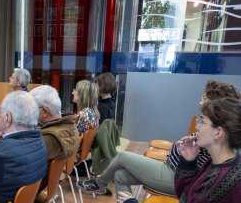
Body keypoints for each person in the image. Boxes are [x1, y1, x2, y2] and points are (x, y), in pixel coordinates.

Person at [62, 97, 241, 203]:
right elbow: (186, 197)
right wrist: (188, 163)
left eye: (202, 121)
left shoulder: (223, 181)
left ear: (218, 132)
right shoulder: (220, 163)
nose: (197, 126)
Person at [77, 80, 241, 196]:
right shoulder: (210, 128)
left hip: (174, 176)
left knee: (123, 157)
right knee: (120, 175)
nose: (200, 100)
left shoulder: (214, 132)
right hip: (172, 168)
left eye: (204, 98)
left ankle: (98, 183)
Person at [30, 85, 80, 192]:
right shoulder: (70, 126)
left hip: (30, 192)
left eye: (31, 109)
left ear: (44, 112)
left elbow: (21, 162)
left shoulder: (49, 138)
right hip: (47, 185)